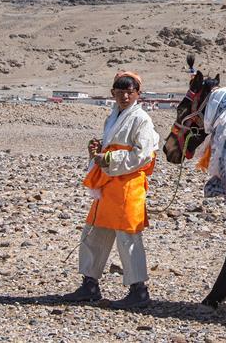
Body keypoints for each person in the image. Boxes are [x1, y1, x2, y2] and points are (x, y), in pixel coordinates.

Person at [63, 71, 160, 309]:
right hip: (109, 184)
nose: (125, 96)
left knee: (128, 237)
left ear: (138, 94)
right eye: (120, 92)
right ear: (113, 93)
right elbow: (115, 148)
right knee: (95, 231)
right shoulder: (113, 117)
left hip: (129, 186)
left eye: (129, 92)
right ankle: (89, 284)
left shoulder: (142, 120)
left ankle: (139, 290)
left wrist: (108, 158)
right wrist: (97, 152)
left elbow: (143, 155)